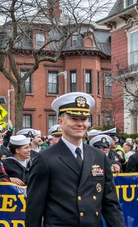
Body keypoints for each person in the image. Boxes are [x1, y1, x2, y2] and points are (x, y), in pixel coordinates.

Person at [26, 92, 126, 227]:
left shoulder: (99, 156)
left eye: (84, 119)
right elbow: (34, 210)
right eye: (74, 118)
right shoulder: (45, 159)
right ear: (60, 121)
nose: (80, 124)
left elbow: (111, 204)